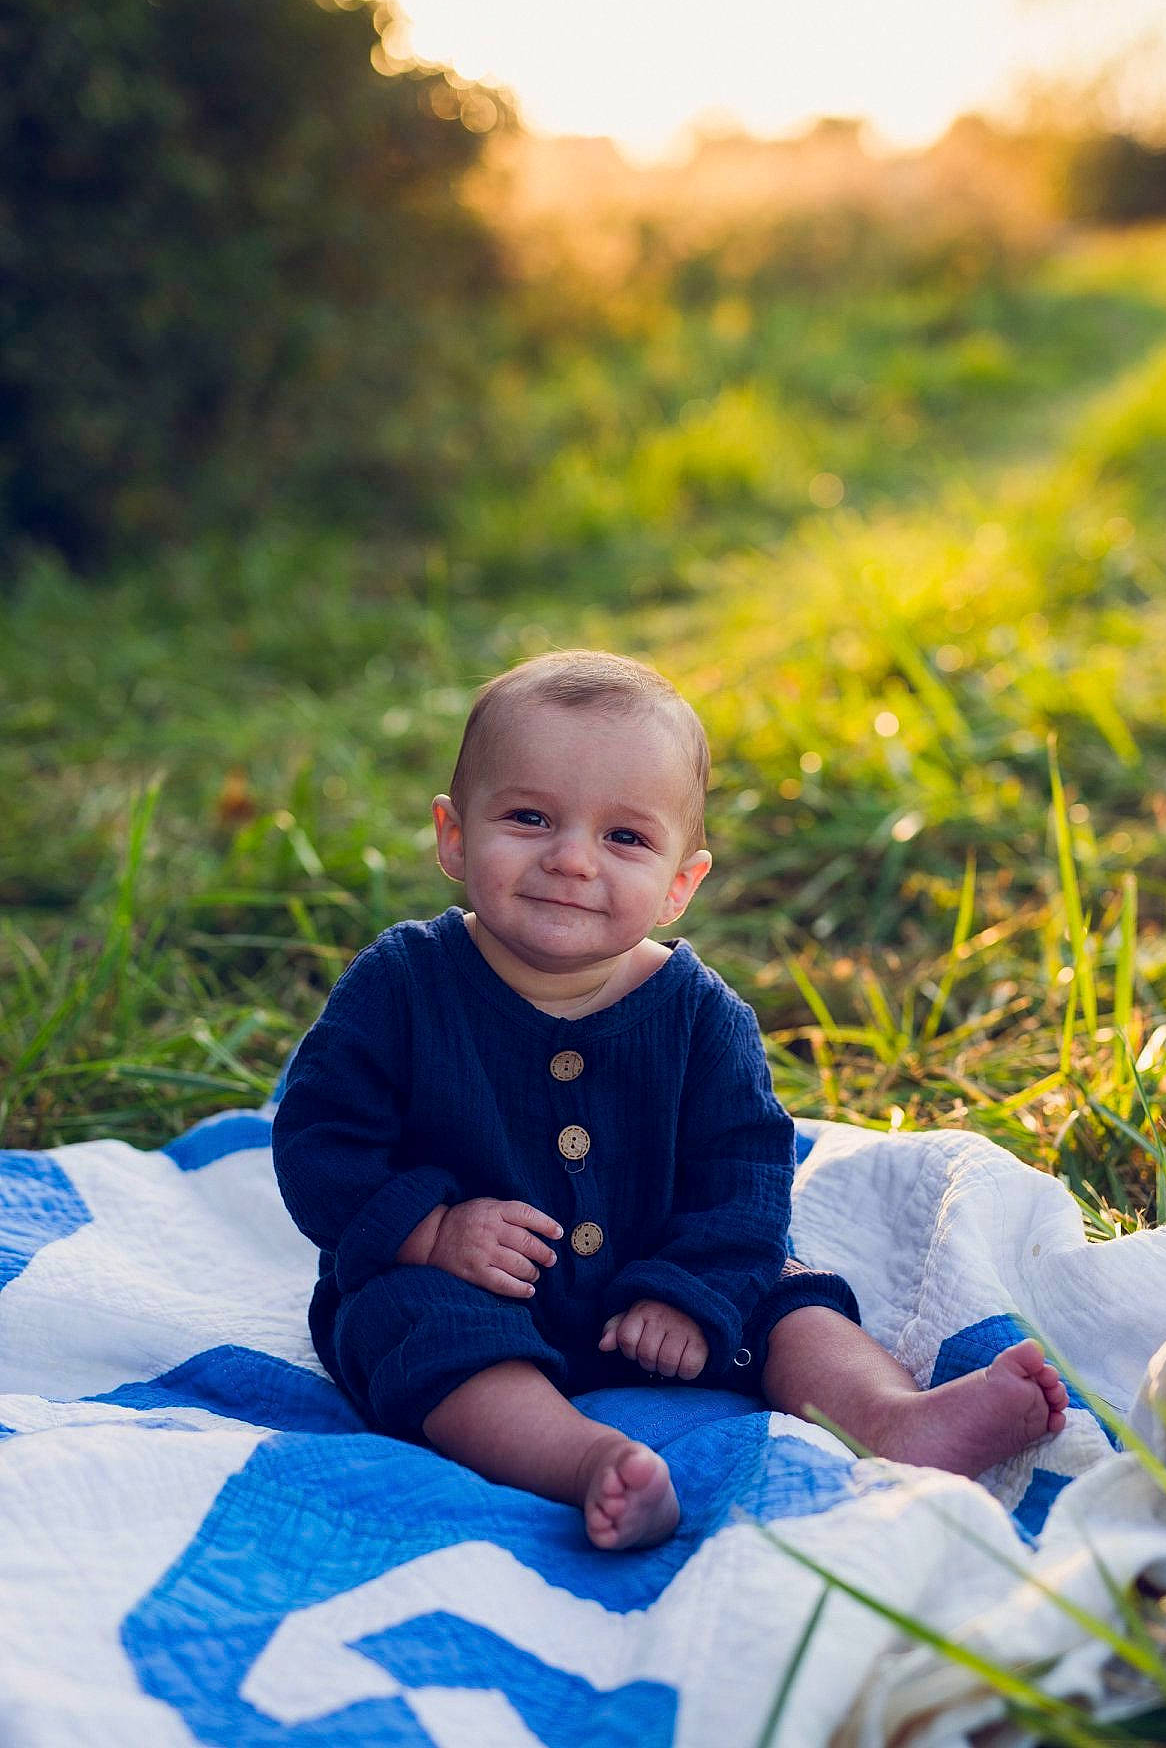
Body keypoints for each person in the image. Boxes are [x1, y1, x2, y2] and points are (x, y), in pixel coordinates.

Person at [272, 650, 1067, 1551]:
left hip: (663, 1283)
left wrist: (694, 1294)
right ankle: (587, 1462)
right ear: (454, 837)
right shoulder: (400, 986)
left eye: (625, 838)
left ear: (679, 886)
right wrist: (431, 1232)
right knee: (408, 1324)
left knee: (788, 1294)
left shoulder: (699, 1016)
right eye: (529, 818)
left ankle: (893, 1419)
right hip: (465, 1286)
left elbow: (745, 1177)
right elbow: (318, 1142)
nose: (572, 860)